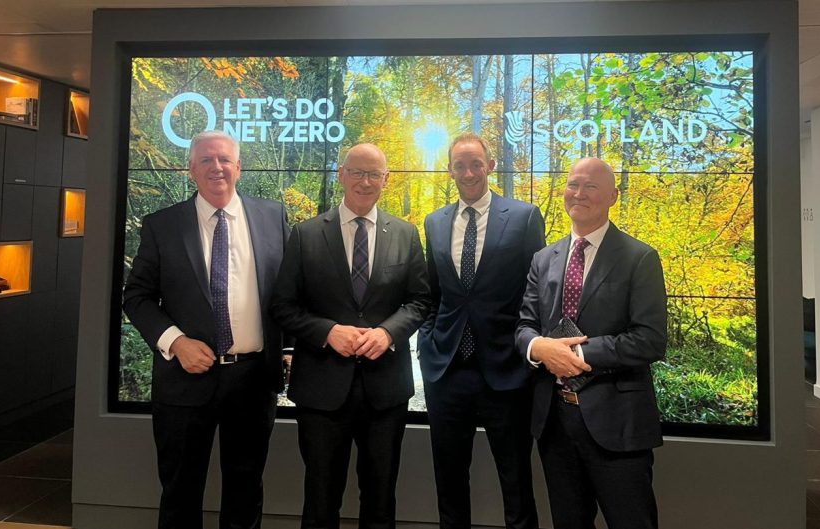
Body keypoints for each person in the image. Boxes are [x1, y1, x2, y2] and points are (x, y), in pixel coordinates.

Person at [123, 130, 289, 529]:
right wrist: (176, 342)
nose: (217, 167)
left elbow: (289, 292)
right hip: (184, 381)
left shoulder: (272, 216)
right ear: (191, 169)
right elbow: (137, 297)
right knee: (180, 492)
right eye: (206, 160)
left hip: (252, 380)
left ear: (239, 167)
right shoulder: (162, 225)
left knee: (246, 488)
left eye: (225, 159)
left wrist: (289, 350)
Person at [270, 143, 431, 529]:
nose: (365, 181)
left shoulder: (406, 234)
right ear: (341, 175)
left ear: (386, 180)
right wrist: (327, 332)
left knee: (380, 501)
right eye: (357, 172)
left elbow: (421, 301)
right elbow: (283, 307)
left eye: (374, 174)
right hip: (322, 392)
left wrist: (388, 333)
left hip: (385, 390)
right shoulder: (305, 234)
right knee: (321, 499)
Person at [515, 157, 667, 529]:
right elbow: (524, 327)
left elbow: (650, 340)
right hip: (555, 423)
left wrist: (577, 354)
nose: (579, 194)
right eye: (572, 184)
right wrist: (539, 349)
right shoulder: (543, 259)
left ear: (613, 196)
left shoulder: (639, 257)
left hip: (618, 425)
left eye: (591, 186)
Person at [418, 133, 544, 529]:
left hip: (505, 370)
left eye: (476, 163)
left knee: (516, 482)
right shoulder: (435, 222)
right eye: (460, 164)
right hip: (447, 370)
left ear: (491, 166)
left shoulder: (524, 216)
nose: (468, 172)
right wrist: (427, 341)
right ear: (450, 169)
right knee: (449, 482)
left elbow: (534, 292)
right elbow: (434, 293)